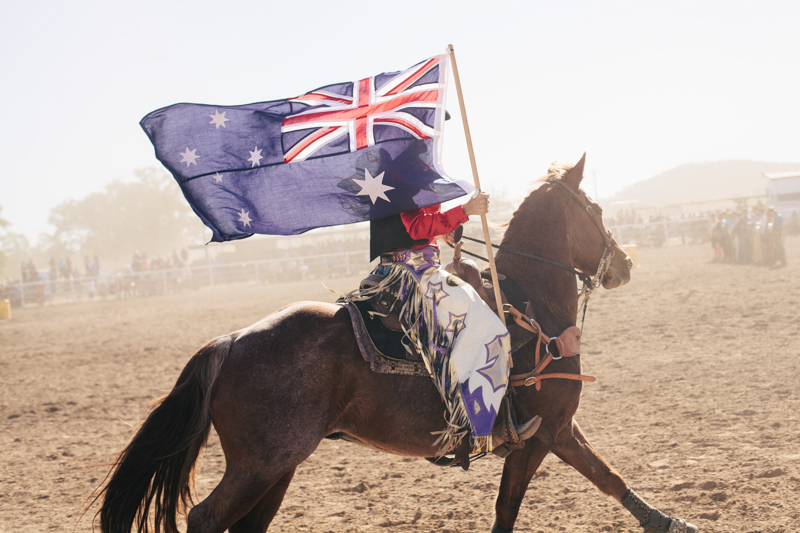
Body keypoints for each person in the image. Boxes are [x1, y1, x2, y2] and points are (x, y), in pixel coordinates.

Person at [350, 191, 539, 458]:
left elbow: (412, 224)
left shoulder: (401, 168)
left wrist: (442, 234)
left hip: (404, 268)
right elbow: (415, 226)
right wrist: (465, 210)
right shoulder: (409, 170)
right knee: (492, 331)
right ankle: (479, 432)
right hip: (416, 276)